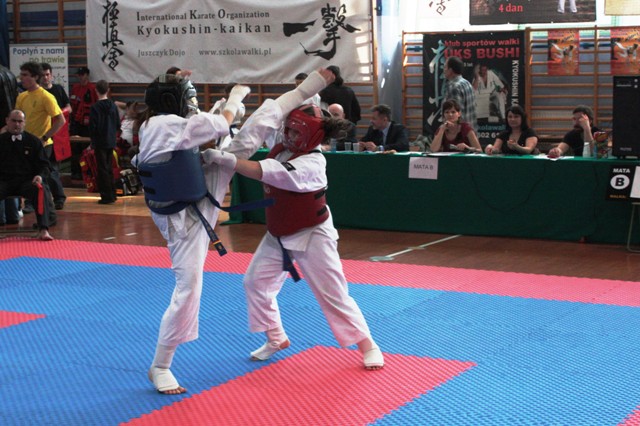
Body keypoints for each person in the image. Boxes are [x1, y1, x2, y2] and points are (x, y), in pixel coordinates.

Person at [137, 69, 328, 395]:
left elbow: (208, 126)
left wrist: (181, 81)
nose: (192, 103)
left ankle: (308, 87)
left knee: (243, 143)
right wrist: (235, 98)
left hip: (195, 193)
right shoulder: (165, 125)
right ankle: (160, 366)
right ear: (173, 102)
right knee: (189, 287)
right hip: (183, 221)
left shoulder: (158, 122)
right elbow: (222, 124)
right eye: (188, 97)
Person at [202, 71, 384, 372]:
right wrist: (310, 87)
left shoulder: (313, 163)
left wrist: (226, 160)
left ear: (311, 137)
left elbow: (262, 171)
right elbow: (269, 118)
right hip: (279, 233)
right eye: (288, 130)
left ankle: (369, 345)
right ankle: (276, 337)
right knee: (255, 283)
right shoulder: (286, 143)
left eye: (296, 133)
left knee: (333, 294)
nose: (288, 135)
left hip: (313, 235)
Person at [15, 61, 64, 221]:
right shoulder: (22, 96)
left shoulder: (46, 96)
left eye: (25, 75)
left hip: (42, 145)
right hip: (26, 145)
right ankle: (42, 212)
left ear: (35, 77)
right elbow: (17, 120)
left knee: (41, 180)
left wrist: (44, 137)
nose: (22, 78)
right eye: (21, 75)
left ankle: (49, 216)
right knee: (33, 180)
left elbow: (60, 120)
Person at [0, 110, 54, 240]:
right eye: (14, 121)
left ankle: (43, 229)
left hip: (27, 182)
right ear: (7, 121)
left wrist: (40, 176)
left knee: (40, 190)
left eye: (20, 121)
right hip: (4, 182)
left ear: (24, 123)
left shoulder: (34, 141)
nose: (17, 124)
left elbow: (45, 166)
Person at [41, 62, 71, 210]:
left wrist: (59, 113)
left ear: (51, 75)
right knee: (44, 170)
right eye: (43, 75)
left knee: (52, 169)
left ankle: (58, 198)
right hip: (42, 135)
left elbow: (69, 108)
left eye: (47, 74)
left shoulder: (58, 89)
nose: (45, 77)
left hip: (56, 135)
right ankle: (38, 200)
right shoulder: (37, 93)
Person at [89, 80, 120, 205]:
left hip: (100, 141)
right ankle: (113, 193)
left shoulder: (95, 107)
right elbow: (118, 124)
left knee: (102, 169)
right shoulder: (113, 106)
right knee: (109, 167)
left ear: (96, 90)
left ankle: (106, 196)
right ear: (108, 90)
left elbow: (93, 127)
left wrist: (92, 141)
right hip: (111, 140)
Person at [69, 67, 98, 179]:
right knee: (75, 147)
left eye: (82, 75)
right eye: (79, 75)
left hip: (88, 124)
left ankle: (87, 171)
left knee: (86, 148)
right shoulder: (75, 88)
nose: (80, 77)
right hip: (76, 122)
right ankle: (75, 172)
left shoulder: (92, 88)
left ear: (87, 75)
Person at [443, 56, 477, 131]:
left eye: (445, 67)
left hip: (460, 134)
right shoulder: (467, 83)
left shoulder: (454, 87)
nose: (443, 70)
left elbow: (455, 117)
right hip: (471, 132)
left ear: (450, 70)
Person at [209, 82, 245, 149]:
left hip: (232, 133)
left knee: (227, 150)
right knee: (219, 151)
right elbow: (209, 116)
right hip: (221, 133)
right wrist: (216, 106)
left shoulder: (240, 104)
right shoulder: (221, 103)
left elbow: (240, 114)